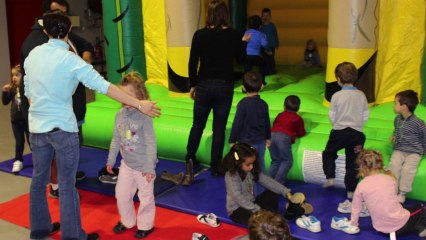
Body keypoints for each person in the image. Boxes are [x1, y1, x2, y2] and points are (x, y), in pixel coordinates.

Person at [24, 11, 160, 240]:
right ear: (68, 32)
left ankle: (39, 231)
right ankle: (73, 235)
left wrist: (41, 112)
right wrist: (139, 103)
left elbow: (28, 91)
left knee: (39, 180)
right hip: (63, 130)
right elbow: (104, 86)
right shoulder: (70, 60)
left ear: (45, 31)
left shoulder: (32, 55)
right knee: (66, 185)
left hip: (37, 129)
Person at [20, 0, 93, 198]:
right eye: (56, 14)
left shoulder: (61, 35)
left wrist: (83, 63)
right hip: (50, 116)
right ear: (45, 18)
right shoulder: (36, 44)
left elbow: (85, 45)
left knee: (67, 149)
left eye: (64, 14)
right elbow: (30, 81)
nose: (61, 19)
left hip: (68, 108)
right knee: (49, 156)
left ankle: (63, 178)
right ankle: (57, 185)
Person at [185, 0, 249, 184]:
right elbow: (242, 60)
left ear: (209, 15)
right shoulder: (234, 35)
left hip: (204, 85)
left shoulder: (199, 34)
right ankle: (215, 166)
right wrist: (243, 43)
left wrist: (193, 85)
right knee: (219, 128)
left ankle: (189, 157)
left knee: (197, 125)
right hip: (224, 85)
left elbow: (192, 62)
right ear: (225, 15)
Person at [106, 72, 157, 239]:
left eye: (129, 95)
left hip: (143, 166)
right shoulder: (119, 115)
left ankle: (145, 225)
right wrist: (111, 159)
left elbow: (151, 143)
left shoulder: (145, 117)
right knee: (121, 194)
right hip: (127, 165)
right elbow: (115, 138)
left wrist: (149, 168)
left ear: (140, 96)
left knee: (145, 197)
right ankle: (128, 221)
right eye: (122, 95)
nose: (125, 99)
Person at [350, 150, 426, 237]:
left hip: (381, 229)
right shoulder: (389, 179)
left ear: (362, 166)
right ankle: (421, 228)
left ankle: (417, 227)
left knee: (401, 206)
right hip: (400, 226)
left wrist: (353, 224)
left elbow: (355, 208)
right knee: (420, 207)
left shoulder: (361, 185)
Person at [322, 62, 369, 199]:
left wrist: (336, 125)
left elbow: (332, 114)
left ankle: (330, 177)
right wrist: (359, 125)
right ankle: (351, 190)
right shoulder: (361, 95)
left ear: (338, 79)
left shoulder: (336, 95)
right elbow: (365, 113)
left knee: (329, 153)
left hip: (339, 132)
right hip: (356, 134)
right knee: (353, 162)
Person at [222, 143, 291, 226]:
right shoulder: (231, 175)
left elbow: (267, 181)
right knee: (257, 220)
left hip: (252, 203)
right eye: (248, 164)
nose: (251, 167)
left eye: (252, 163)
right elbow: (237, 197)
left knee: (272, 193)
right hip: (237, 209)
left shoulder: (250, 170)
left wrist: (286, 192)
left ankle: (271, 217)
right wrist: (257, 209)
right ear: (237, 162)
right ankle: (268, 220)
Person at [388, 90, 426, 203]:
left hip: (414, 151)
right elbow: (397, 131)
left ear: (404, 107)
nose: (394, 106)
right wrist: (394, 137)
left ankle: (402, 193)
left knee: (408, 170)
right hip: (399, 149)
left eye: (395, 103)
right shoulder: (397, 119)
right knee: (394, 165)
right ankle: (392, 189)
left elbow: (424, 136)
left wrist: (423, 151)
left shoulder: (418, 122)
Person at [229, 71, 271, 172]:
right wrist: (268, 138)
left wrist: (232, 140)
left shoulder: (242, 104)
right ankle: (260, 187)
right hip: (260, 141)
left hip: (245, 143)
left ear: (243, 88)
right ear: (261, 86)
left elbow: (237, 124)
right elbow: (267, 123)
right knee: (260, 165)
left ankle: (248, 187)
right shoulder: (264, 104)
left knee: (246, 166)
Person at [269, 95, 305, 184]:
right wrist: (297, 134)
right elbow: (301, 133)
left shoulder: (280, 115)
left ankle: (269, 181)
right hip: (283, 138)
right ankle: (277, 183)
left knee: (275, 160)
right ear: (298, 108)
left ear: (284, 106)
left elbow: (274, 125)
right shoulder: (297, 118)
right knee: (287, 161)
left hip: (271, 135)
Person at [2, 64, 30, 173]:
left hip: (27, 121)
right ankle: (18, 160)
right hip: (16, 121)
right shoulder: (12, 89)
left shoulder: (27, 89)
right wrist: (5, 92)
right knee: (19, 142)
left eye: (17, 75)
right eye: (12, 75)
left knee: (32, 141)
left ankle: (39, 162)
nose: (14, 77)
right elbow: (5, 102)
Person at [244, 15, 269, 85]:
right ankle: (262, 81)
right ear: (260, 25)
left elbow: (244, 41)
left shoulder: (247, 32)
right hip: (256, 56)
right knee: (263, 65)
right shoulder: (260, 34)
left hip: (247, 56)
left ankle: (245, 85)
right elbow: (264, 44)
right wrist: (265, 38)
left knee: (247, 70)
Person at [260, 8, 279, 75]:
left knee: (271, 60)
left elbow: (275, 34)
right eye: (264, 16)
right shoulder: (261, 26)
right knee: (264, 60)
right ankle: (264, 72)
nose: (265, 17)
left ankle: (272, 72)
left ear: (270, 17)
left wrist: (276, 43)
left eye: (267, 15)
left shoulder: (272, 26)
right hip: (263, 47)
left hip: (271, 46)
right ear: (261, 17)